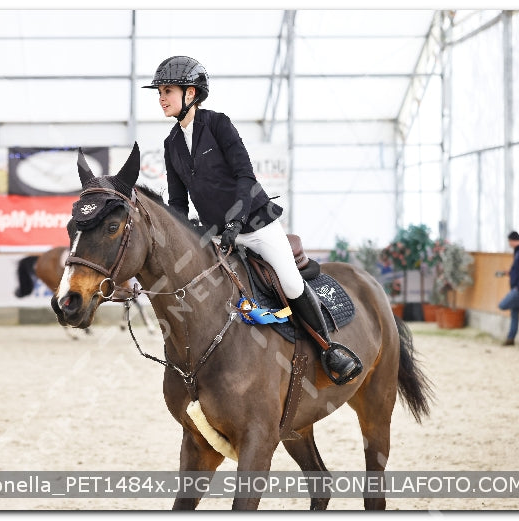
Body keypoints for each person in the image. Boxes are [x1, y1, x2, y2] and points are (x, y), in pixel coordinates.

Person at [142, 55, 359, 384]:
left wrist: (234, 223)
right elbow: (177, 203)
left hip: (255, 226)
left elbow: (246, 177)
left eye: (167, 90)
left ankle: (330, 348)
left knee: (289, 282)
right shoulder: (171, 143)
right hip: (217, 235)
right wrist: (179, 238)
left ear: (190, 94)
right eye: (159, 91)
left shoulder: (218, 125)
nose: (161, 97)